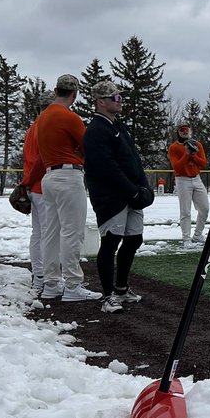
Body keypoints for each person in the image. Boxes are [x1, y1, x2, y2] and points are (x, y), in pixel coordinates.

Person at [83, 80, 154, 314]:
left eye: (120, 97)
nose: (120, 101)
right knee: (111, 241)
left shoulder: (118, 126)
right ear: (100, 102)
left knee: (134, 239)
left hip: (130, 193)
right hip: (111, 197)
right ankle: (107, 296)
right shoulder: (96, 130)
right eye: (115, 98)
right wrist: (132, 191)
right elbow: (107, 167)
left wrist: (143, 187)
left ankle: (122, 289)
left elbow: (132, 159)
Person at [30, 74, 102, 302]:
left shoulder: (42, 117)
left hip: (49, 177)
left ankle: (51, 283)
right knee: (72, 232)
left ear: (56, 90)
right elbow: (88, 145)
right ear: (75, 94)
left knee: (51, 233)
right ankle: (73, 285)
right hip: (69, 176)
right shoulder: (69, 116)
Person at [21, 91, 55, 297]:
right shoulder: (45, 126)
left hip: (35, 187)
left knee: (38, 233)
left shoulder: (32, 127)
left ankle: (40, 275)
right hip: (43, 186)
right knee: (48, 234)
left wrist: (26, 183)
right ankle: (45, 277)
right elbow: (40, 160)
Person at [168, 122, 209, 247]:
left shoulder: (197, 145)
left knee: (205, 209)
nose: (185, 132)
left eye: (187, 130)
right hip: (182, 180)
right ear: (178, 132)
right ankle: (186, 238)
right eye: (182, 130)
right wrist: (187, 154)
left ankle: (197, 235)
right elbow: (177, 167)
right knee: (185, 210)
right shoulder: (174, 147)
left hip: (196, 178)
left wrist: (193, 155)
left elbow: (203, 163)